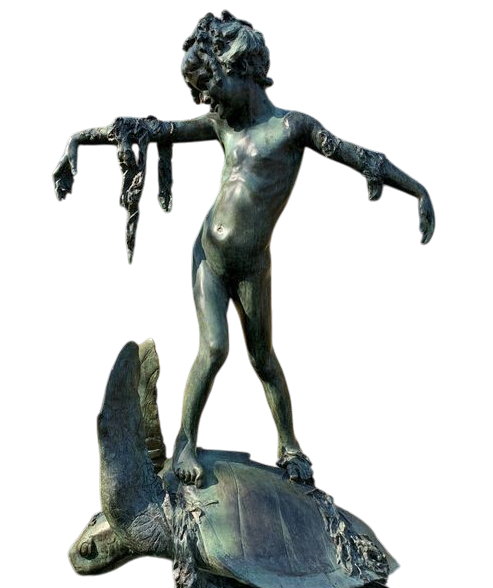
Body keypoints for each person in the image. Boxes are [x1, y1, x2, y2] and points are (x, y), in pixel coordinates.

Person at [54, 11, 435, 488]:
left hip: (253, 266)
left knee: (263, 358)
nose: (205, 99)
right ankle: (185, 442)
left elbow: (360, 157)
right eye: (200, 92)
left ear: (242, 69)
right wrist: (78, 141)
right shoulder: (222, 126)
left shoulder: (293, 128)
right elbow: (157, 129)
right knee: (214, 348)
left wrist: (416, 190)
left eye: (210, 86)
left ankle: (290, 445)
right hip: (208, 258)